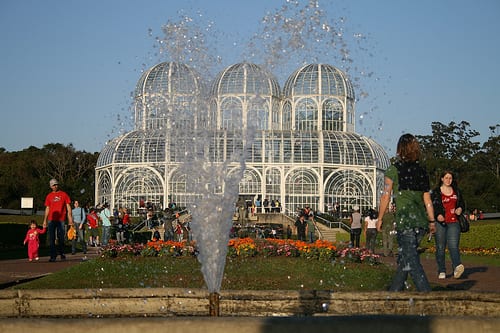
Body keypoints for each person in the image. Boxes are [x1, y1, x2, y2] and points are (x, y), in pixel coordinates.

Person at [376, 133, 436, 292]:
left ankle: (427, 296)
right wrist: (431, 221)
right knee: (405, 260)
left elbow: (386, 195)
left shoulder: (393, 170)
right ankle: (393, 294)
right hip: (421, 224)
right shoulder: (422, 170)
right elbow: (427, 200)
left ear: (400, 149)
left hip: (406, 222)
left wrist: (380, 218)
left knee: (413, 262)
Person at [431, 170, 466, 279]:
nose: (448, 180)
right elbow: (432, 205)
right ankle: (442, 269)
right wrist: (438, 215)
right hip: (441, 223)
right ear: (442, 179)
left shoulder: (456, 191)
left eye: (450, 178)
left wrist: (460, 208)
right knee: (440, 247)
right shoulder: (436, 192)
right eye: (446, 178)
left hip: (453, 222)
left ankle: (457, 266)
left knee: (453, 245)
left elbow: (461, 203)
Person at [43, 178, 73, 262]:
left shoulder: (63, 194)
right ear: (51, 186)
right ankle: (53, 255)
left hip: (61, 219)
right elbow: (47, 208)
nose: (55, 186)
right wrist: (45, 220)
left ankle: (62, 253)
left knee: (61, 237)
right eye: (53, 185)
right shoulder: (49, 196)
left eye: (56, 184)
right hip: (51, 219)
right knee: (51, 238)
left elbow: (68, 207)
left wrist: (70, 218)